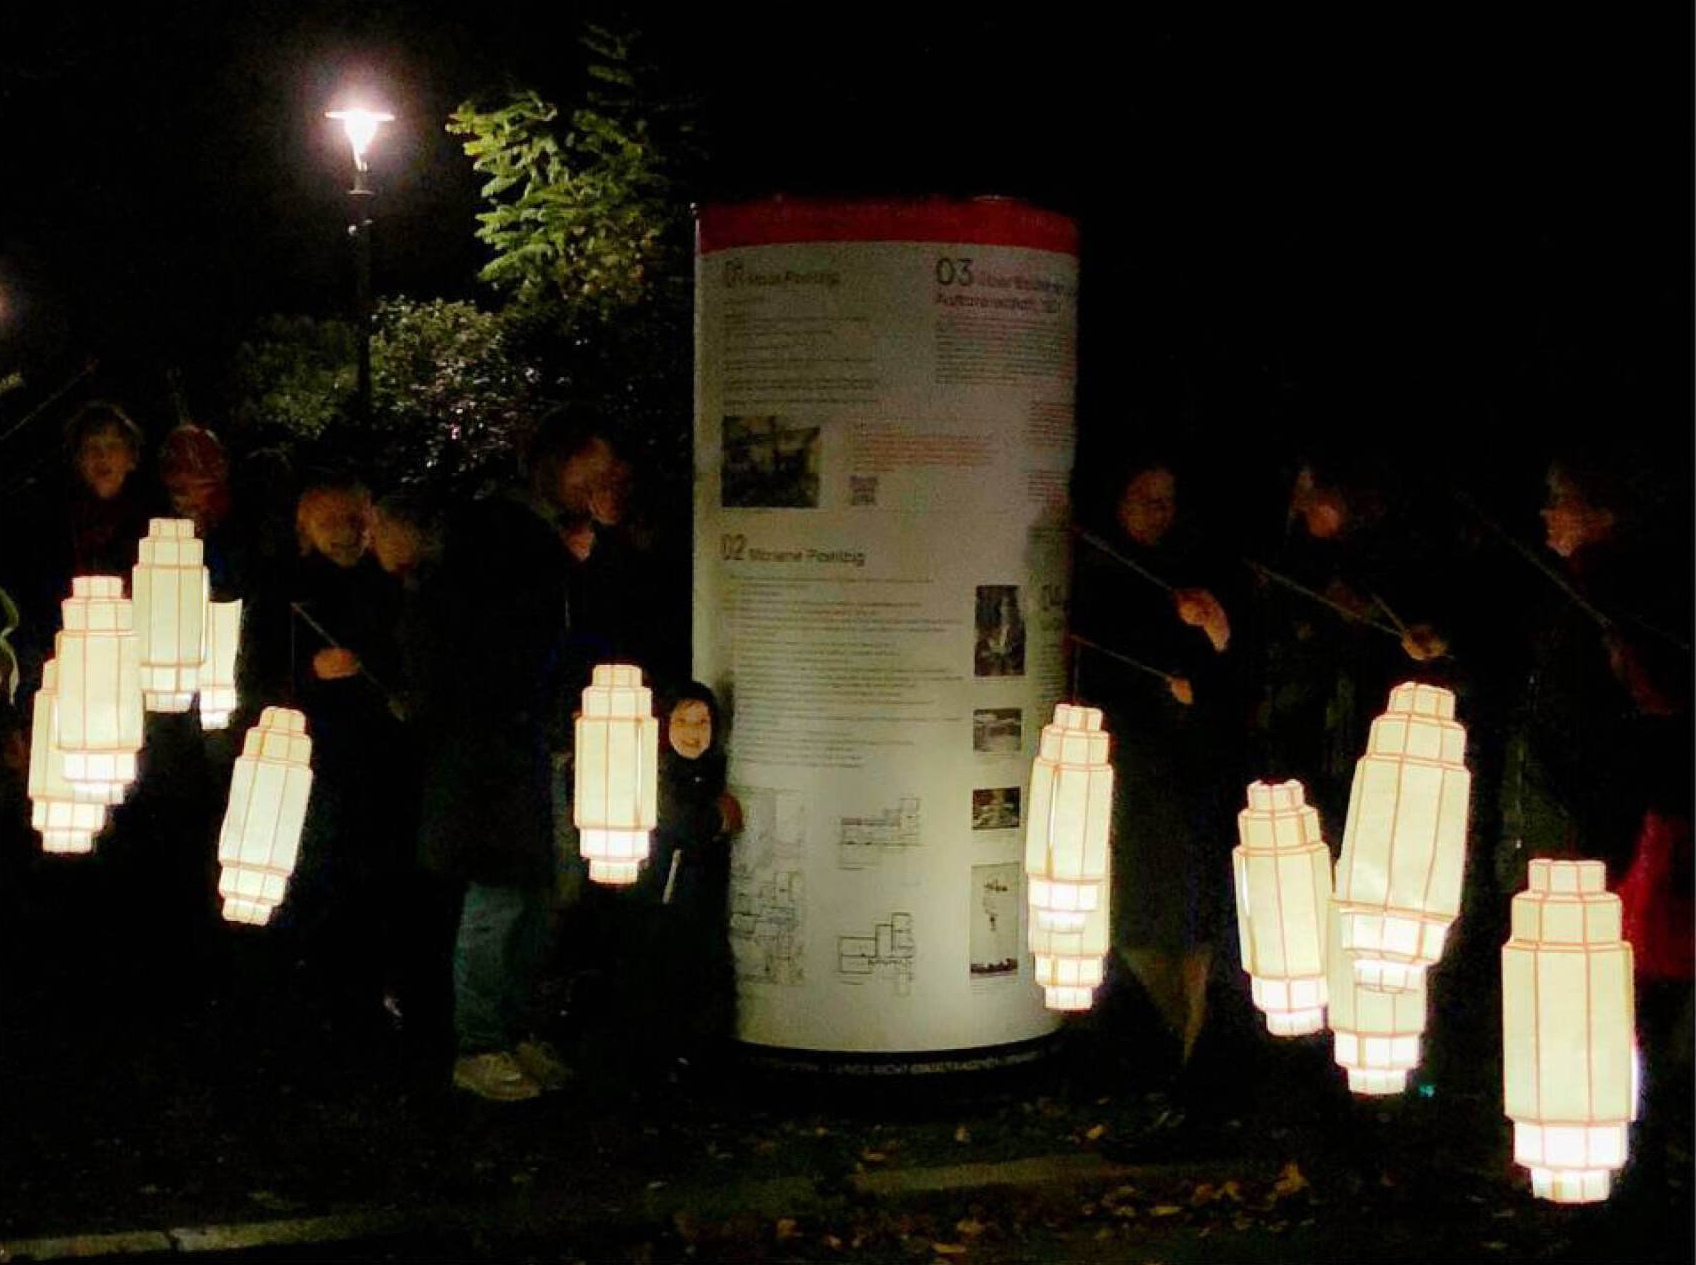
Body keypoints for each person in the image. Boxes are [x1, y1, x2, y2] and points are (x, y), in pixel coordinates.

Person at [411, 413, 593, 1102]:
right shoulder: (500, 538)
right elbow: (491, 644)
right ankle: (480, 1042)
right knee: (499, 897)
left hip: (530, 744)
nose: (598, 483)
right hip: (493, 752)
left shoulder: (538, 540)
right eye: (588, 468)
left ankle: (512, 1030)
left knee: (538, 898)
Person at [1070, 456, 1246, 1077]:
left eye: (1167, 501)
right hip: (1128, 765)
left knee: (1187, 914)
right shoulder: (1096, 571)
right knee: (1137, 916)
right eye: (1147, 499)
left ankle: (1194, 1052)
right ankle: (1177, 1046)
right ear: (1119, 502)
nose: (1159, 513)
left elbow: (1229, 672)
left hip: (1186, 771)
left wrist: (1214, 637)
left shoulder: (1189, 571)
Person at [274, 476, 406, 1038]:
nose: (345, 533)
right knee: (319, 876)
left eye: (354, 520)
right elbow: (256, 677)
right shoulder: (286, 591)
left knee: (377, 878)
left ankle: (371, 995)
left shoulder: (391, 585)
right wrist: (309, 674)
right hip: (314, 761)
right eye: (330, 522)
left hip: (382, 759)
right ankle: (316, 998)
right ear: (305, 529)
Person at [618, 682, 742, 1074]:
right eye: (682, 722)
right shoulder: (656, 773)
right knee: (666, 984)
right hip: (664, 901)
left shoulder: (713, 771)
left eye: (702, 722)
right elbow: (684, 825)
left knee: (706, 983)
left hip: (702, 902)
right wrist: (719, 818)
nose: (693, 732)